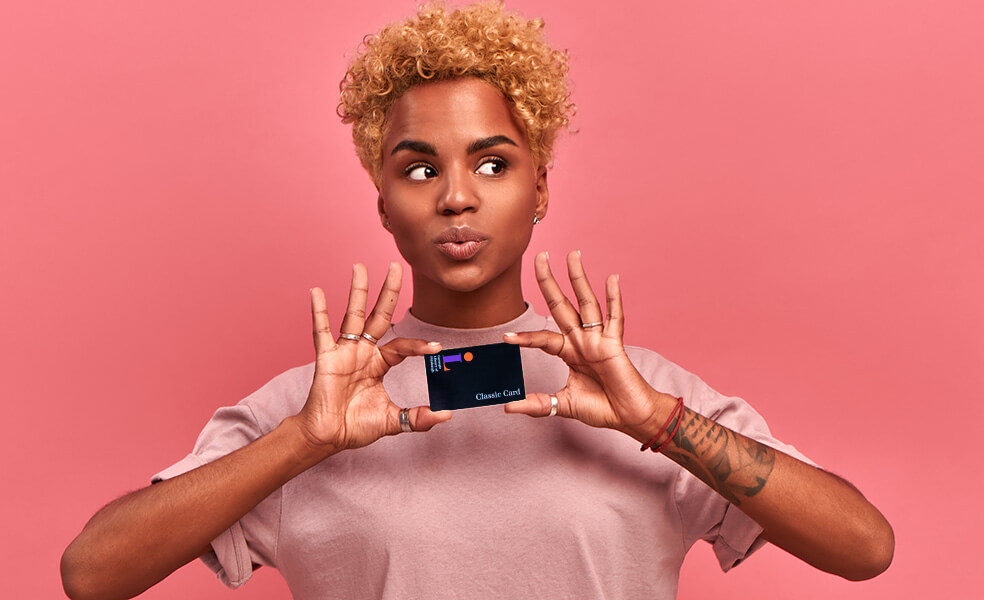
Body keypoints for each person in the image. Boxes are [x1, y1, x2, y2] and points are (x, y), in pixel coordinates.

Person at [60, 2, 894, 599]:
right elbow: (91, 574)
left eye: (493, 163)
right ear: (383, 201)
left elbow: (864, 549)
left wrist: (661, 426)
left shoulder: (636, 394)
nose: (456, 196)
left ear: (540, 190)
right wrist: (302, 443)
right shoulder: (308, 411)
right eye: (420, 168)